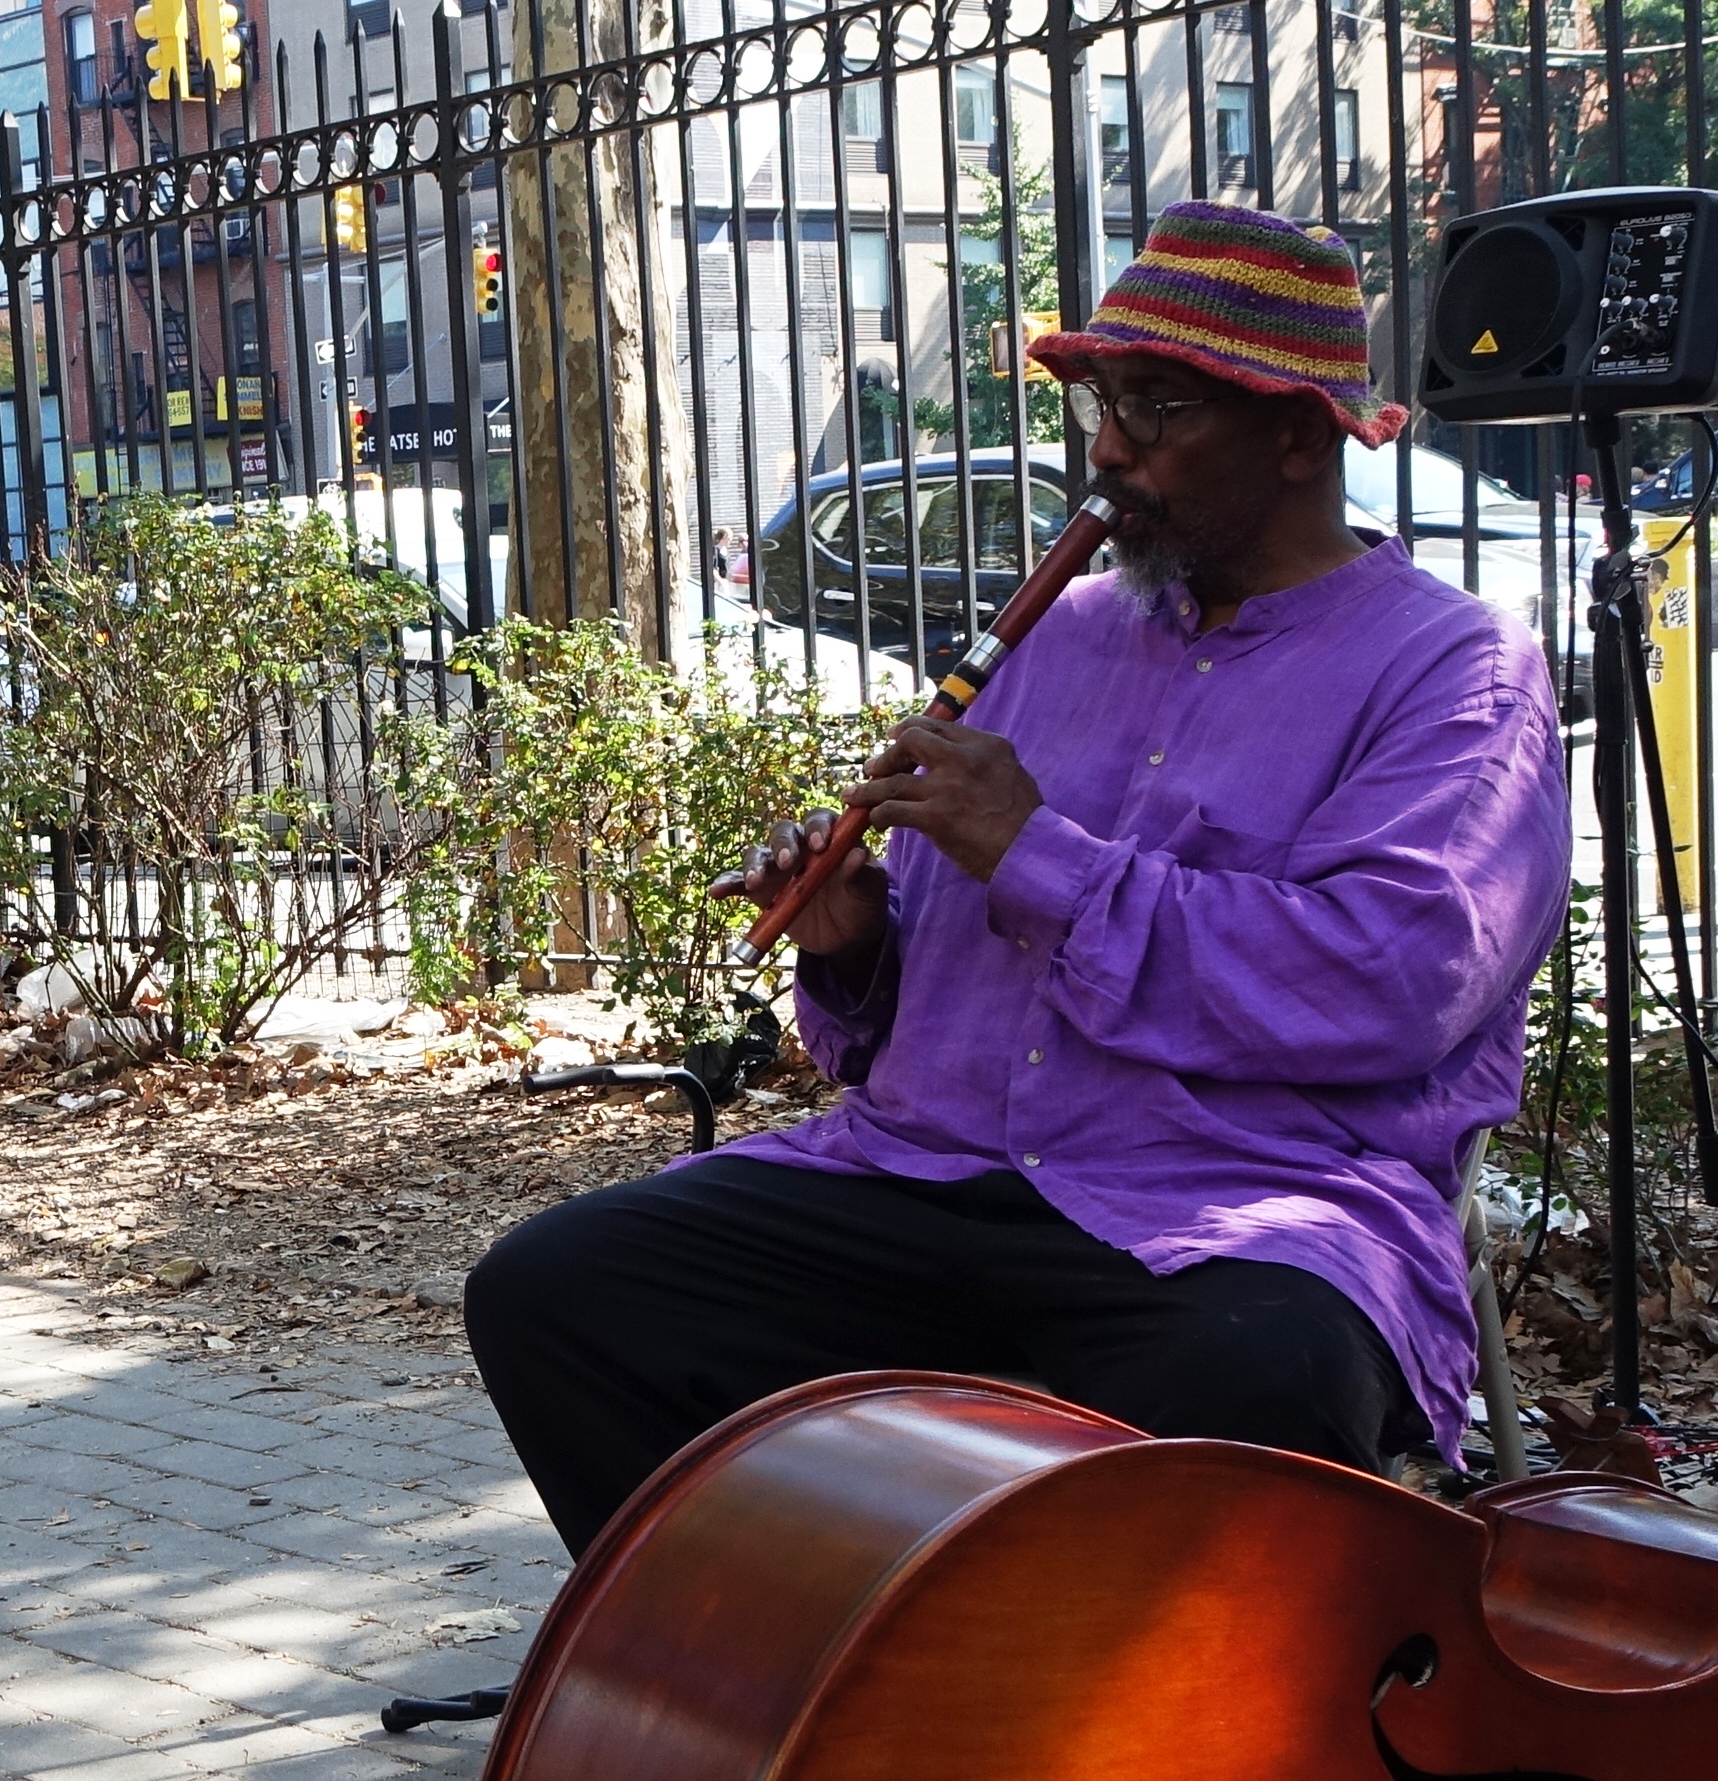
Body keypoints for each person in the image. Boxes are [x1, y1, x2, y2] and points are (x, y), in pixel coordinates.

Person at [465, 200, 1568, 1557]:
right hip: (928, 1170)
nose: (1109, 450)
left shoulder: (1454, 670)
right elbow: (927, 990)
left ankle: (1091, 1736)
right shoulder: (1062, 635)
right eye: (1105, 402)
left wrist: (1039, 852)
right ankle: (793, 1669)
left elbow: (1395, 979)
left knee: (1255, 1372)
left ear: (1300, 435)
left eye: (1158, 410)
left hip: (1227, 1208)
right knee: (558, 1291)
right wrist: (857, 942)